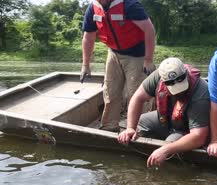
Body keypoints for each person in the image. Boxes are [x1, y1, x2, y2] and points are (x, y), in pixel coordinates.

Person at [118, 57, 210, 168]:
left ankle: (171, 166)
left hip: (187, 129)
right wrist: (130, 128)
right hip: (167, 120)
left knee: (169, 143)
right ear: (164, 81)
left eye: (180, 82)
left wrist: (165, 150)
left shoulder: (201, 91)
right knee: (140, 122)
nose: (179, 90)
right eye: (173, 85)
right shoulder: (158, 76)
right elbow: (137, 98)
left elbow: (198, 136)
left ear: (185, 74)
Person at [81, 0, 156, 132]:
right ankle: (109, 126)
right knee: (110, 91)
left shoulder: (130, 5)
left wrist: (148, 59)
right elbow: (88, 36)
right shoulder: (93, 8)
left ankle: (140, 129)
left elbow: (149, 29)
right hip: (114, 53)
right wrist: (85, 65)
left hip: (138, 54)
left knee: (137, 93)